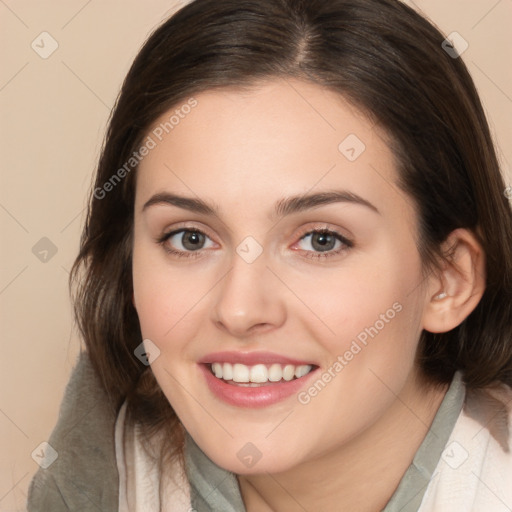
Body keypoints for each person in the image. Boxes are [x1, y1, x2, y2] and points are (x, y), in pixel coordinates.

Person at [27, 0, 512, 510]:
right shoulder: (101, 463)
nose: (239, 310)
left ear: (448, 279)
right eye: (190, 238)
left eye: (322, 240)